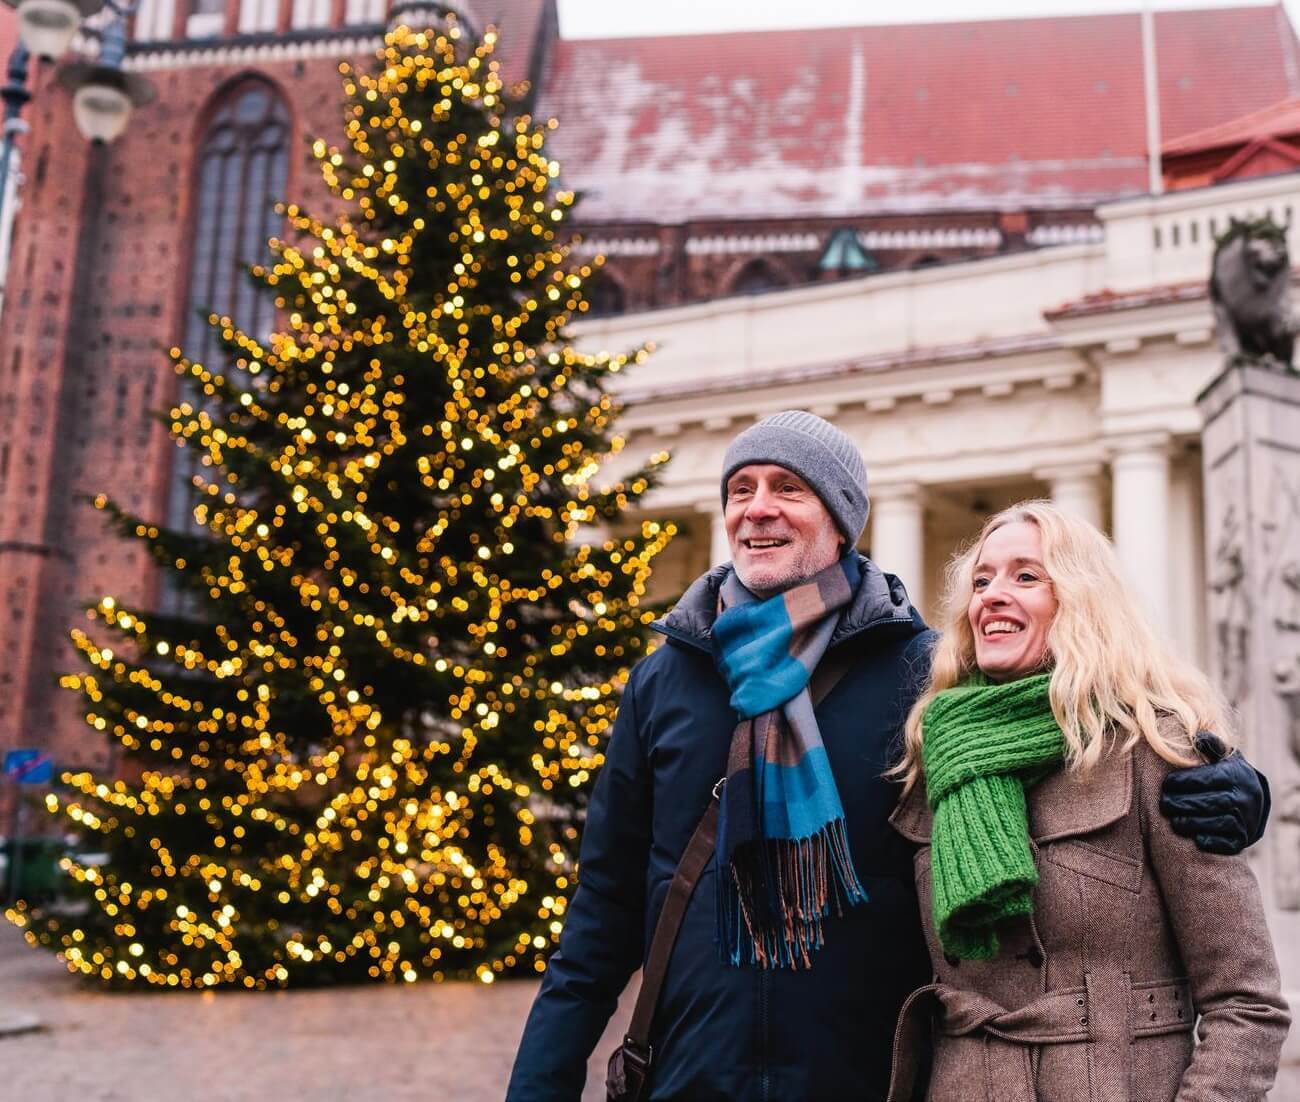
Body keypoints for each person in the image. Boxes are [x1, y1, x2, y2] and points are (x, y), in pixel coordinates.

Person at [506, 412, 1269, 1102]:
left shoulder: (926, 679)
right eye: (740, 488)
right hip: (691, 1075)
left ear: (841, 520)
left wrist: (1233, 784)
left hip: (869, 1080)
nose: (757, 507)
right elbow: (603, 909)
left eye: (787, 488)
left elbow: (1073, 714)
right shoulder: (664, 680)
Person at [886, 501, 1289, 1102]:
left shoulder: (1154, 748)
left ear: (1082, 601)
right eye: (982, 579)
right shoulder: (930, 757)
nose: (993, 594)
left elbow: (1246, 1003)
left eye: (1026, 576)